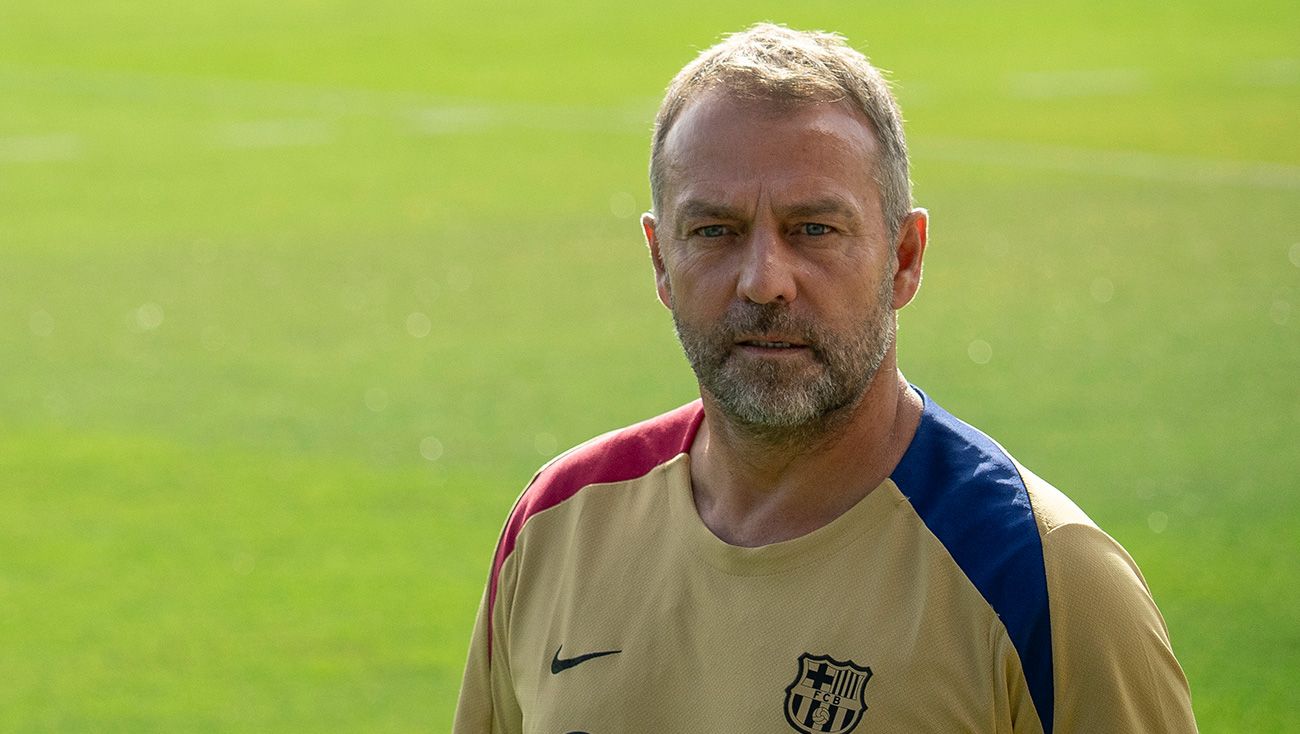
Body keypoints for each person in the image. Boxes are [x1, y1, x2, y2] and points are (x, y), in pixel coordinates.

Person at [453, 23, 1197, 733]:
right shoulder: (557, 526)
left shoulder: (1044, 578)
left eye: (815, 229)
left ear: (904, 258)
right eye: (715, 230)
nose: (764, 281)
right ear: (659, 262)